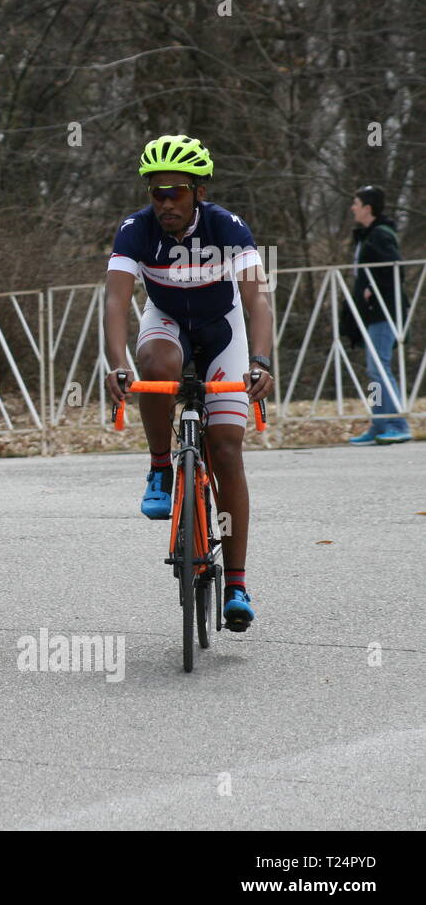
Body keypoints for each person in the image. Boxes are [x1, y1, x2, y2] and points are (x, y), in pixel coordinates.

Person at [103, 134, 274, 632]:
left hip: (225, 331)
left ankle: (237, 584)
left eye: (175, 192)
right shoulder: (135, 230)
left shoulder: (228, 227)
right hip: (169, 322)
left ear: (198, 190)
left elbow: (257, 299)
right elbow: (116, 302)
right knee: (154, 361)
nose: (165, 203)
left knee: (225, 451)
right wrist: (117, 364)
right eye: (156, 193)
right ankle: (160, 466)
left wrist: (260, 361)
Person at [347, 185, 411, 444]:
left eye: (356, 203)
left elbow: (395, 269)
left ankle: (397, 422)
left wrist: (372, 288)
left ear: (368, 208)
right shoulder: (368, 235)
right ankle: (380, 423)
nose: (353, 207)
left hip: (385, 311)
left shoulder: (380, 235)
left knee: (380, 368)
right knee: (374, 370)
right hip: (373, 313)